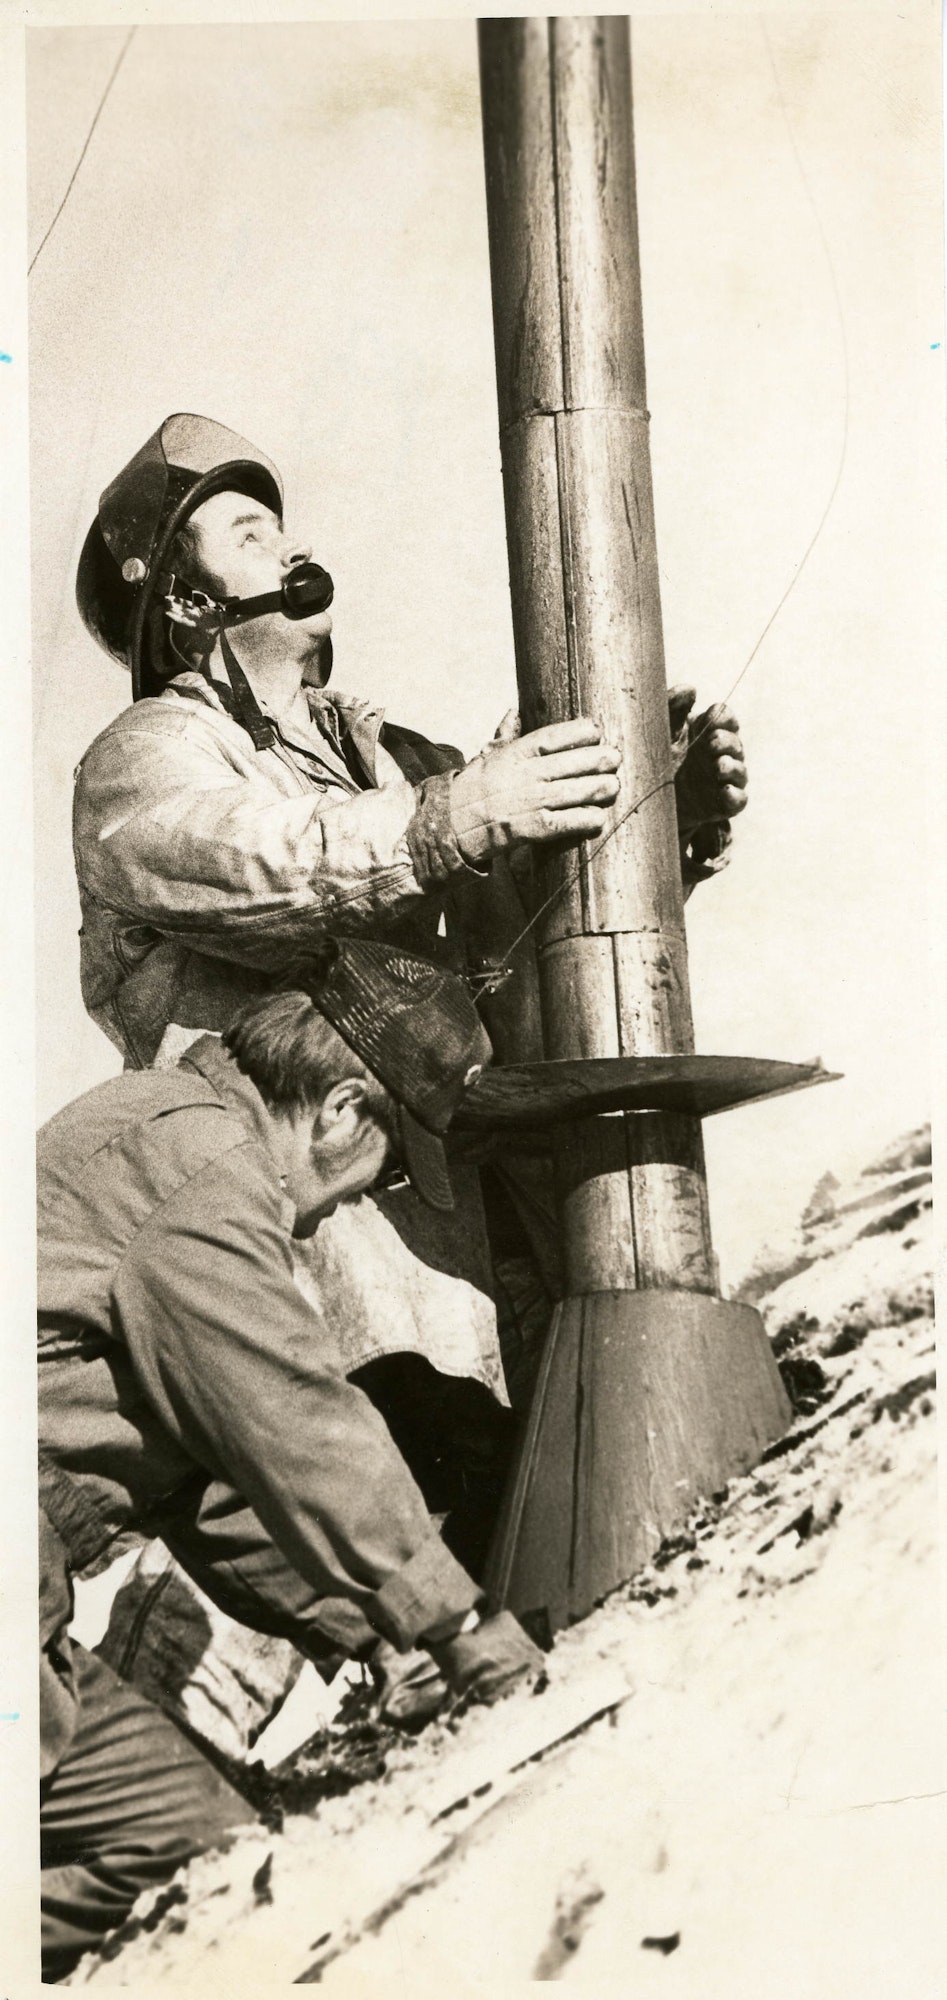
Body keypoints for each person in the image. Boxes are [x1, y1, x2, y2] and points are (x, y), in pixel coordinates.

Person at [70, 412, 747, 1749]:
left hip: (461, 1231)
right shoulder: (149, 756)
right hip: (322, 1249)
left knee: (543, 1523)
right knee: (403, 1514)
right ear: (184, 594)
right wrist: (456, 814)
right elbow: (267, 865)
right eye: (238, 518)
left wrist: (659, 819)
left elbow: (501, 932)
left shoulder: (376, 758)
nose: (282, 526)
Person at [39, 937, 543, 1981]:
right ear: (344, 1109)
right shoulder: (202, 1169)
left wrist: (382, 1634)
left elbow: (209, 1484)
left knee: (193, 1833)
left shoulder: (161, 1134)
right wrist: (456, 1622)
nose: (358, 1201)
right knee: (176, 1848)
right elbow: (291, 1417)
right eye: (387, 1168)